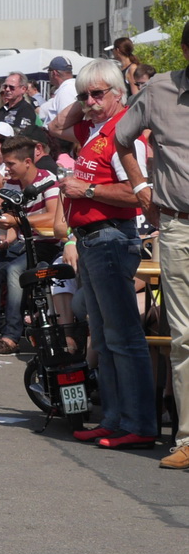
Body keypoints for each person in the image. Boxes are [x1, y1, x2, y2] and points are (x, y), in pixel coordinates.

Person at [48, 59, 155, 449]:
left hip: (110, 238)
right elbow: (55, 126)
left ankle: (139, 424)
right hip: (92, 239)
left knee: (124, 337)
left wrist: (88, 192)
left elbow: (138, 195)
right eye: (83, 95)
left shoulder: (124, 135)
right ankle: (113, 418)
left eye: (98, 94)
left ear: (118, 94)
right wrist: (86, 93)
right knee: (105, 337)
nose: (89, 102)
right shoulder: (96, 129)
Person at [116, 37, 189, 465]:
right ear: (185, 50)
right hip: (178, 225)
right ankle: (186, 439)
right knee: (183, 338)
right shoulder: (159, 89)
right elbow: (122, 138)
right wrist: (142, 188)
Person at [0, 135, 60, 356]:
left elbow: (53, 217)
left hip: (46, 246)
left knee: (14, 271)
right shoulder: (11, 183)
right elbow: (10, 220)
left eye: (11, 164)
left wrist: (18, 222)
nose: (6, 169)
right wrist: (5, 237)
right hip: (22, 245)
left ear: (27, 162)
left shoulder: (47, 180)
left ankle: (11, 336)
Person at [38, 56, 77, 128]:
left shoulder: (66, 90)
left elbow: (65, 122)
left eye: (48, 72)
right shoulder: (73, 86)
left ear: (54, 73)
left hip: (59, 138)